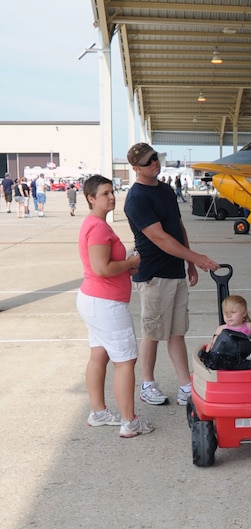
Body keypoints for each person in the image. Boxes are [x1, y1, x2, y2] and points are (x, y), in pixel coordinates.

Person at [124, 142, 220, 406]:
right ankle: (147, 384)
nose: (154, 163)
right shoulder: (136, 198)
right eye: (147, 162)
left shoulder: (165, 189)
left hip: (175, 270)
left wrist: (189, 262)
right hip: (154, 273)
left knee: (177, 331)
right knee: (153, 331)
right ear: (135, 169)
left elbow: (177, 228)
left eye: (155, 158)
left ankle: (185, 386)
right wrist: (197, 259)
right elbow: (160, 239)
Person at [76, 174, 154, 438]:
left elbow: (103, 266)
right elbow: (101, 268)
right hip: (106, 303)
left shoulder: (94, 223)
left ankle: (99, 412)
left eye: (112, 192)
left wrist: (124, 269)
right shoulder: (98, 227)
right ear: (90, 198)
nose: (112, 197)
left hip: (95, 300)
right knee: (125, 362)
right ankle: (129, 421)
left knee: (99, 355)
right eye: (105, 193)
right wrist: (131, 263)